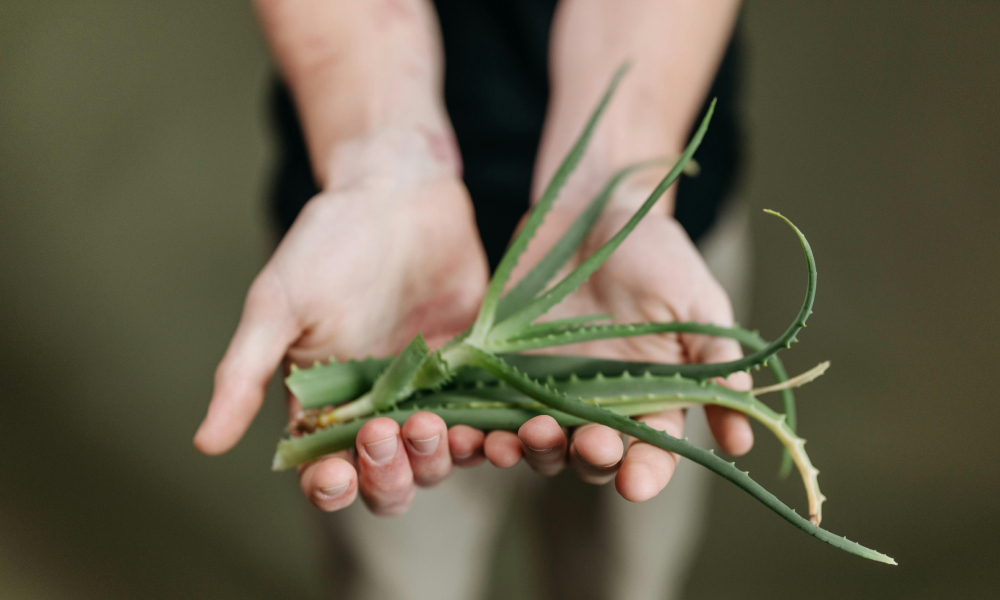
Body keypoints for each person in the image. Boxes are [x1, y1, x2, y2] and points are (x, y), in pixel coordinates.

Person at [195, 1, 751, 598]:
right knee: (392, 566)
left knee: (620, 567)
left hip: (632, 253)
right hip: (374, 263)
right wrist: (379, 160)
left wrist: (618, 179)